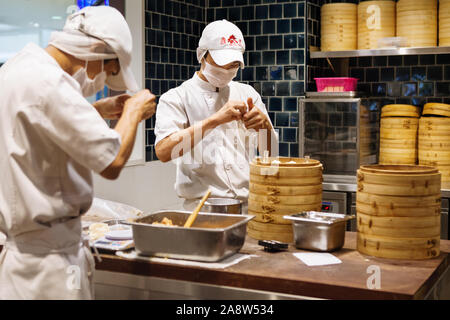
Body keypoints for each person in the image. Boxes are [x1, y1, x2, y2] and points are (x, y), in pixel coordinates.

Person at [0, 6, 156, 299]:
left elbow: (40, 129)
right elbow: (112, 161)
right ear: (96, 51)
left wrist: (97, 110)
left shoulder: (15, 69)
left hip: (20, 265)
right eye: (109, 69)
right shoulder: (52, 84)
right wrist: (133, 112)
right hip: (51, 268)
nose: (104, 79)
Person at [155, 20, 277, 211]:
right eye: (222, 62)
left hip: (248, 207)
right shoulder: (176, 98)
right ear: (202, 55)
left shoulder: (248, 94)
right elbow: (163, 151)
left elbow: (270, 154)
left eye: (234, 64)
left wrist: (265, 128)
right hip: (202, 209)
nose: (228, 69)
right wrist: (215, 120)